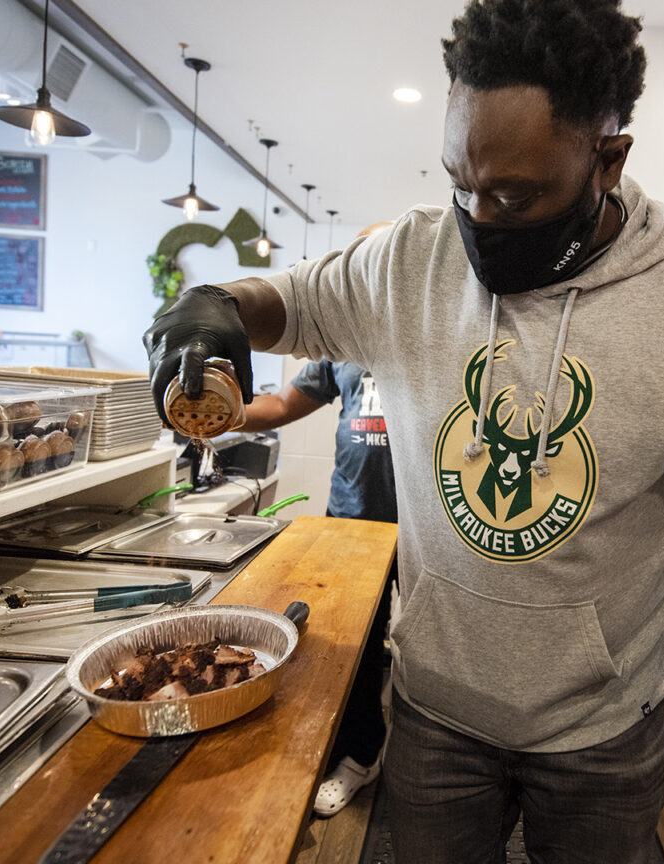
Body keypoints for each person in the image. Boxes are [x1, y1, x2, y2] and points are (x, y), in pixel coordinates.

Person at [145, 1, 664, 859]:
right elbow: (294, 303)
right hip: (434, 715)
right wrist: (218, 306)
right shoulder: (411, 261)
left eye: (513, 194)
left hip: (605, 731)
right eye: (460, 181)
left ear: (608, 159)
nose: (477, 217)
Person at [239, 232, 397, 815]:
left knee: (427, 647)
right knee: (350, 648)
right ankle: (360, 754)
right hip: (352, 522)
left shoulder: (436, 342)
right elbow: (281, 406)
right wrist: (223, 412)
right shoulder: (342, 344)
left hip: (431, 530)